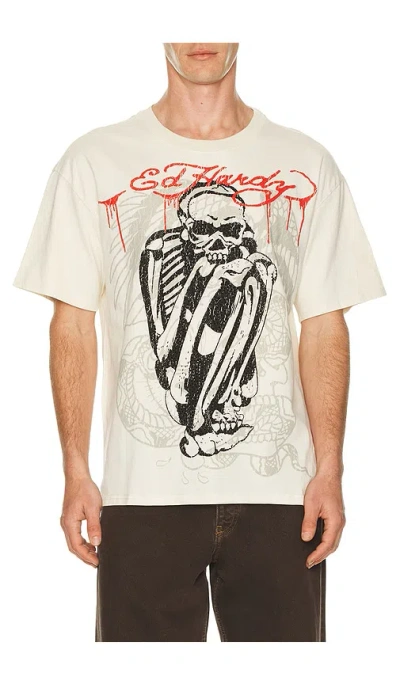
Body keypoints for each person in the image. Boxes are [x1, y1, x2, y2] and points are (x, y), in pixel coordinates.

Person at [13, 42, 386, 642]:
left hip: (281, 497)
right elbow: (72, 323)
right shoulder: (93, 160)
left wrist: (330, 470)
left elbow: (324, 326)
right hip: (140, 495)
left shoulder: (307, 161)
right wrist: (76, 470)